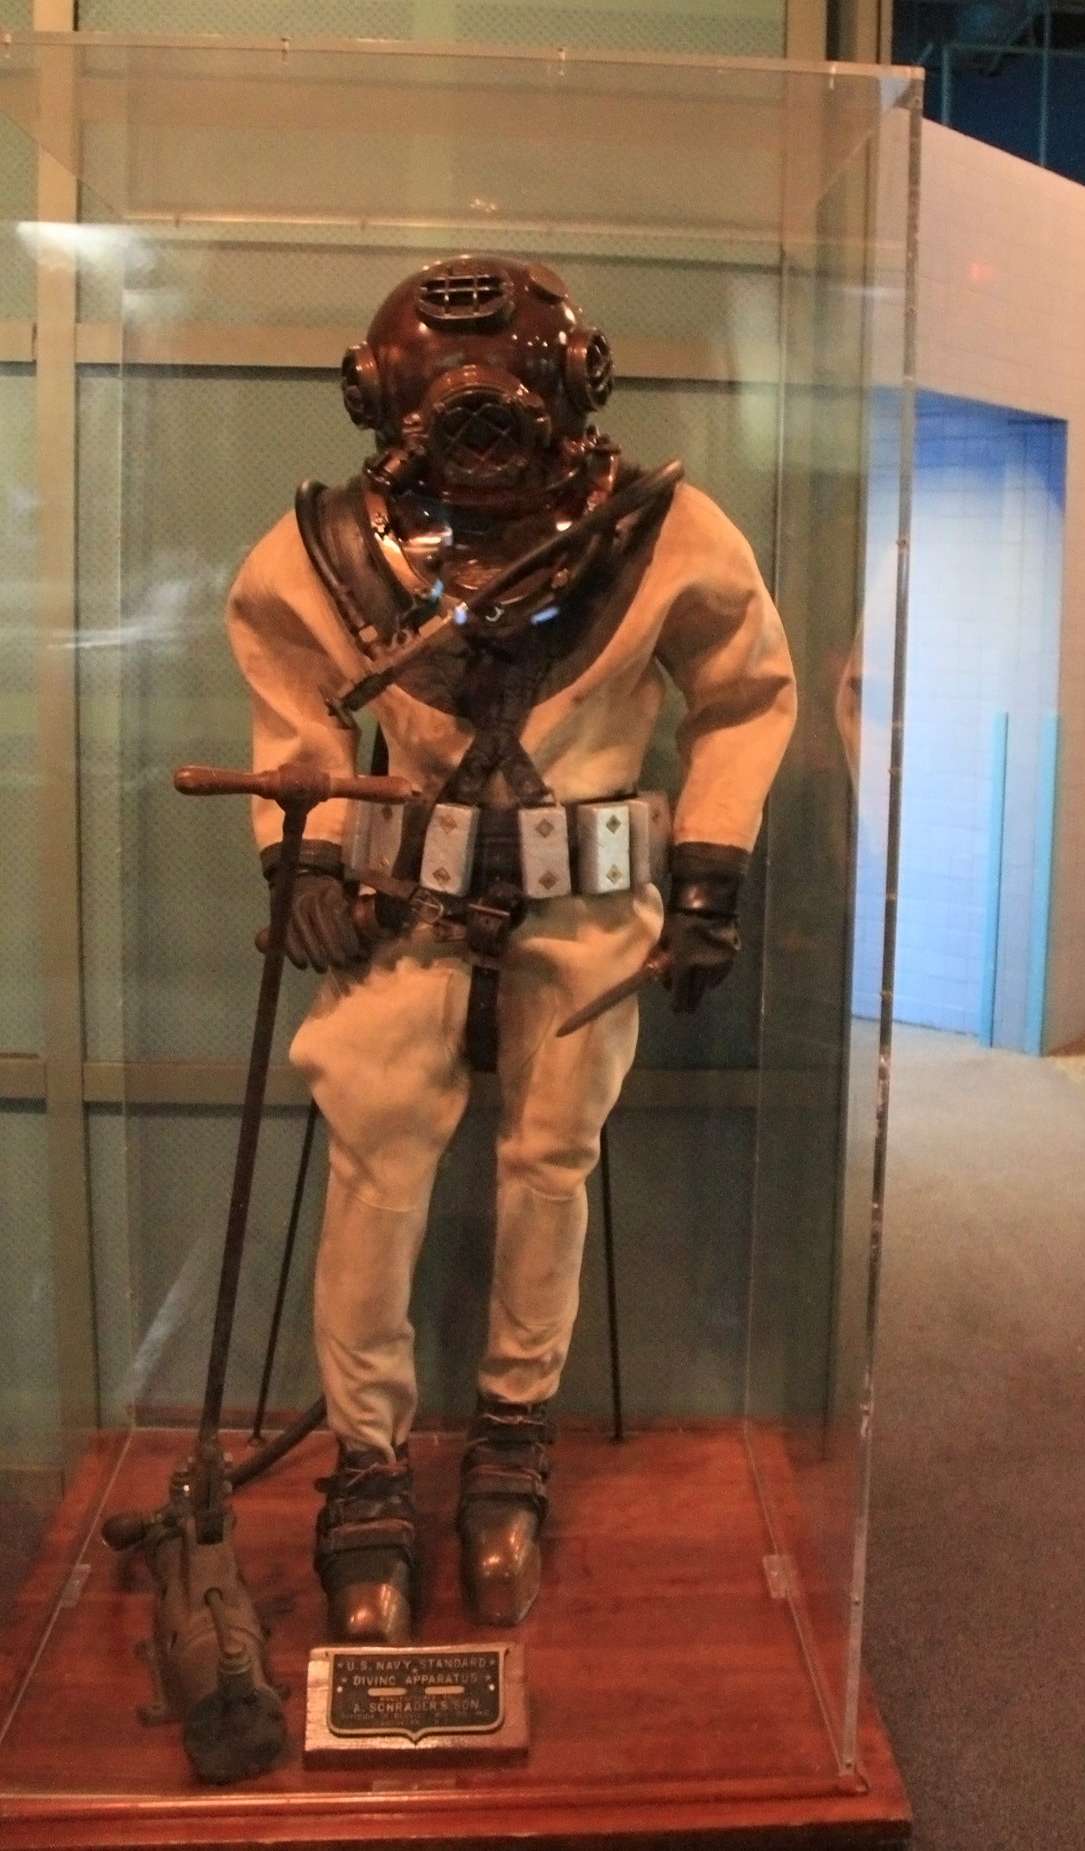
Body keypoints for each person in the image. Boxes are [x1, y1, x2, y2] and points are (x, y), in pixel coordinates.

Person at [225, 255, 796, 1643]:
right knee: (375, 1169)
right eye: (444, 394)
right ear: (380, 399)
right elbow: (291, 698)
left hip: (587, 921)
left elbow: (743, 695)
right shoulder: (330, 554)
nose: (478, 423)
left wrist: (709, 871)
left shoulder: (663, 537)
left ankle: (512, 1439)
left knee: (551, 1166)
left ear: (575, 386)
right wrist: (306, 847)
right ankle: (368, 1463)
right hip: (406, 918)